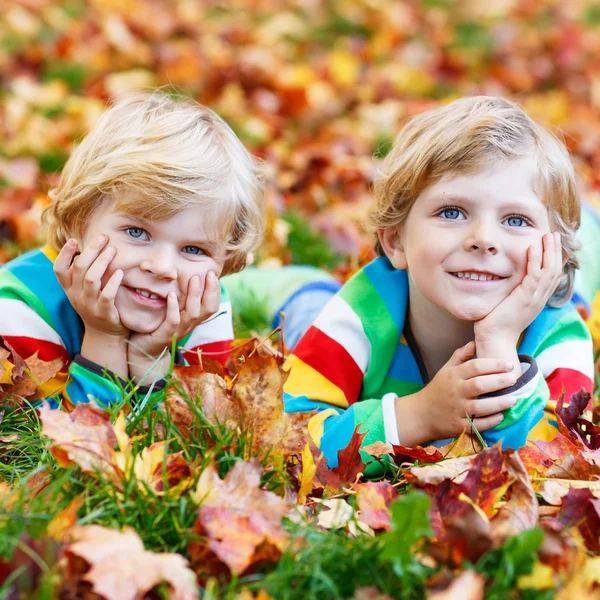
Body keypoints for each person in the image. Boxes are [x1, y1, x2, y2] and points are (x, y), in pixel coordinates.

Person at [282, 96, 595, 469]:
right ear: (396, 241)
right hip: (327, 310)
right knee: (305, 311)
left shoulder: (559, 335)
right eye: (452, 212)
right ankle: (301, 287)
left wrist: (498, 343)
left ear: (553, 254)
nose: (483, 238)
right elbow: (293, 440)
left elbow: (555, 461)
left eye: (515, 220)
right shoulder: (363, 311)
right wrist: (418, 416)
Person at [0, 92, 264, 409]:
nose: (163, 267)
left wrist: (150, 359)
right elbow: (46, 447)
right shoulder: (20, 309)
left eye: (193, 249)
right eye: (137, 232)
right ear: (78, 219)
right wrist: (104, 339)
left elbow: (193, 442)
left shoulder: (201, 306)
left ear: (224, 262)